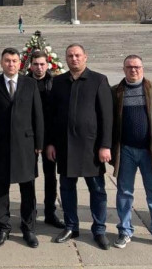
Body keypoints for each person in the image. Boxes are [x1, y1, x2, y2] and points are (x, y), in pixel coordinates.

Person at [46, 44, 113, 250]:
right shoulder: (58, 82)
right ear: (66, 59)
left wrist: (105, 145)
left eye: (77, 55)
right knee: (67, 188)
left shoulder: (98, 80)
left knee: (97, 189)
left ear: (85, 57)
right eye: (70, 56)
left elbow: (107, 116)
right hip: (65, 146)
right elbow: (52, 116)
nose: (74, 59)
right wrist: (50, 143)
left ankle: (99, 229)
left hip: (91, 147)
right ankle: (71, 226)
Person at [111, 55, 152, 250]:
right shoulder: (116, 91)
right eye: (129, 67)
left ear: (143, 68)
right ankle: (125, 230)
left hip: (151, 151)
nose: (133, 70)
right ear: (124, 69)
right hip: (125, 151)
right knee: (124, 192)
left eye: (137, 67)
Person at [0, 48, 44, 248]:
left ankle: (28, 228)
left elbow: (37, 114)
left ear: (20, 63)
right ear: (1, 63)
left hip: (25, 146)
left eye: (14, 60)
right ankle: (3, 228)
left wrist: (39, 144)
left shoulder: (30, 84)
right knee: (1, 189)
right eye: (7, 60)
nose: (11, 64)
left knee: (27, 189)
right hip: (0, 147)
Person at [27, 50, 64, 228]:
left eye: (42, 64)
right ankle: (30, 211)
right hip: (29, 137)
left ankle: (50, 212)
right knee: (29, 176)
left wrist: (52, 142)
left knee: (50, 176)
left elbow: (57, 114)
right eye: (36, 64)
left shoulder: (55, 83)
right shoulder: (24, 82)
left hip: (49, 137)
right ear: (30, 65)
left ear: (47, 65)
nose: (39, 68)